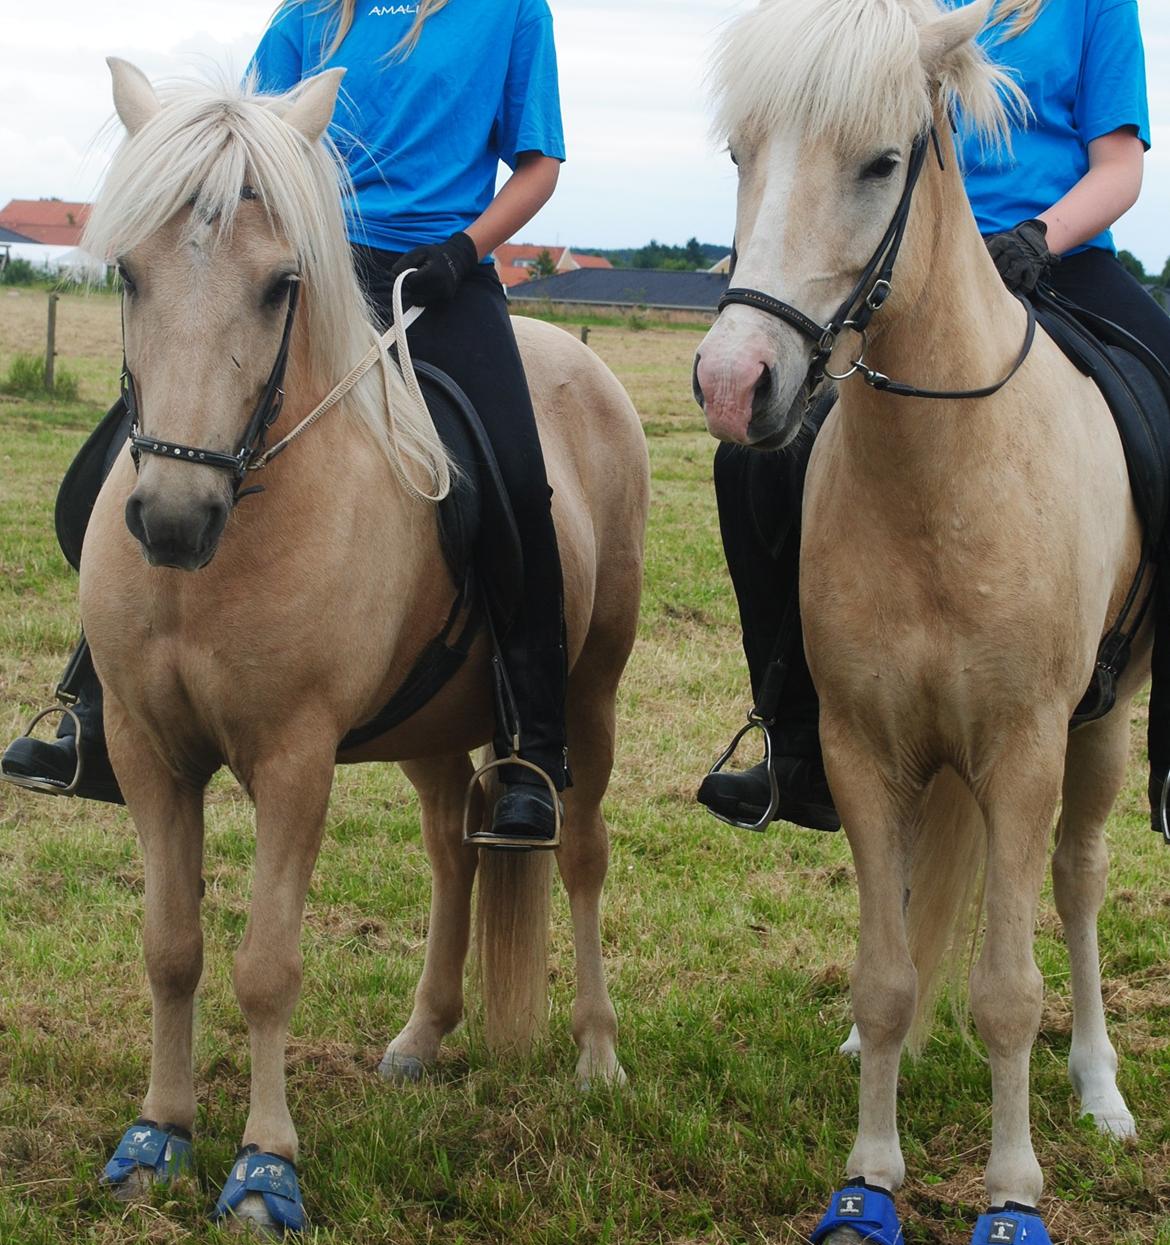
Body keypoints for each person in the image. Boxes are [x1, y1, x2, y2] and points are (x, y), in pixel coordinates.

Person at [1, 0, 571, 845]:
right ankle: (92, 702)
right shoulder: (306, 15)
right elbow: (246, 143)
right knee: (130, 447)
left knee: (519, 481)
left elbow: (539, 166)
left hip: (439, 276)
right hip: (298, 267)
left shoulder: (511, 11)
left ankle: (531, 747)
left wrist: (464, 248)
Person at [697, 0, 1170, 833]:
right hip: (898, 265)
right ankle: (796, 741)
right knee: (749, 465)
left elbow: (1118, 168)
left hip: (1048, 258)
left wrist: (1037, 237)